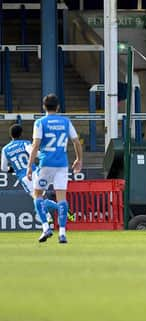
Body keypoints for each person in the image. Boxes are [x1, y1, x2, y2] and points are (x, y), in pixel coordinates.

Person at [26, 94, 83, 244]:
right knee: (62, 198)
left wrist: (30, 166)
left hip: (46, 163)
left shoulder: (40, 122)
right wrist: (79, 159)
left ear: (44, 107)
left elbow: (36, 145)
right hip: (62, 164)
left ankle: (46, 227)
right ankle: (62, 233)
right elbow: (76, 142)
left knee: (37, 194)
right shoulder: (65, 122)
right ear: (58, 107)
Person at [1, 124, 71, 231]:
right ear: (21, 134)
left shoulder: (5, 149)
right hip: (36, 173)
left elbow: (3, 168)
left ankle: (60, 209)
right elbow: (36, 154)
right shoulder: (25, 143)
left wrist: (13, 169)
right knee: (40, 198)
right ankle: (49, 216)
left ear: (10, 135)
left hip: (25, 177)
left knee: (37, 199)